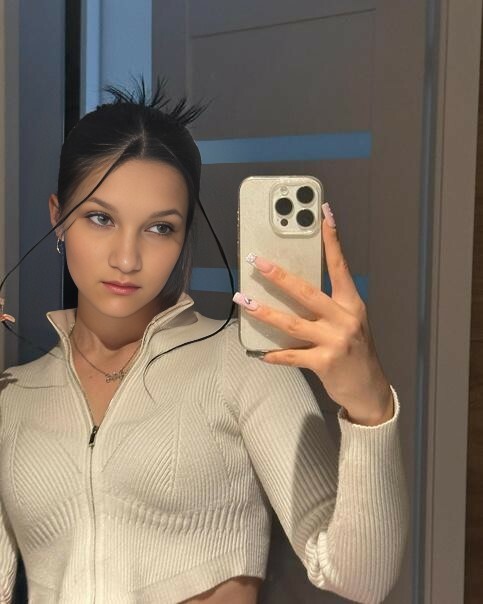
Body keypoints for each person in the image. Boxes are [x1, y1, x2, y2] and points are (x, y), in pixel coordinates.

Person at [0, 77, 408, 604]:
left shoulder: (243, 363)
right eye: (100, 218)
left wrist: (371, 407)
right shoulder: (12, 397)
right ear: (58, 218)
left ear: (185, 233)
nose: (127, 258)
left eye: (160, 228)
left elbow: (361, 578)